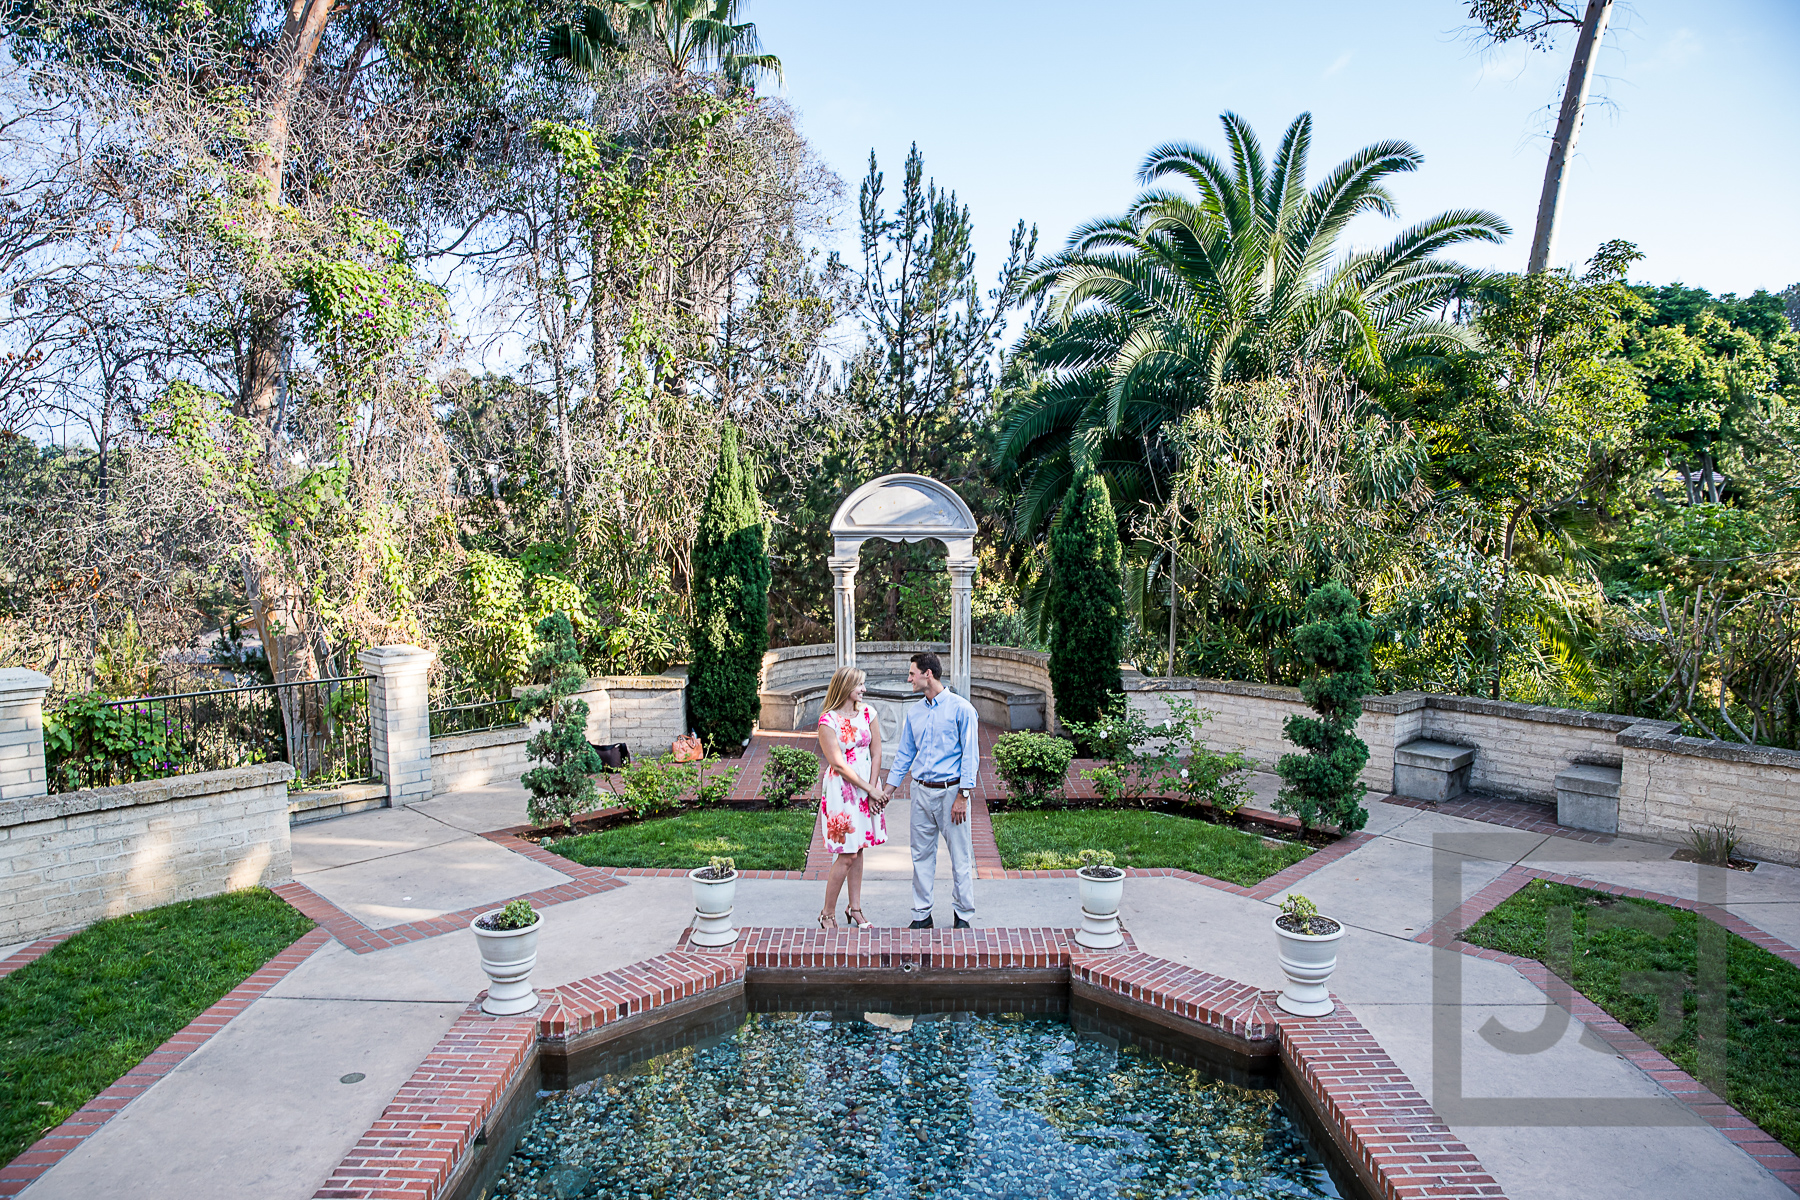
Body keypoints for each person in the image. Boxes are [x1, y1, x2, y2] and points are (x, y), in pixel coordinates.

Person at [885, 651, 980, 929]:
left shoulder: (961, 709)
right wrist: (888, 792)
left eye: (912, 673)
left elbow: (970, 756)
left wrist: (963, 796)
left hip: (951, 794)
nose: (909, 678)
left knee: (959, 857)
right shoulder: (914, 713)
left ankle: (963, 915)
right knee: (920, 856)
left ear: (928, 674)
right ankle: (921, 915)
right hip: (921, 793)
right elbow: (904, 756)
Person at [815, 666, 888, 929]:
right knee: (846, 855)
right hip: (842, 792)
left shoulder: (869, 713)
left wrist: (872, 788)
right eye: (860, 685)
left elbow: (877, 752)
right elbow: (838, 764)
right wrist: (869, 790)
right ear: (846, 687)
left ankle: (854, 908)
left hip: (867, 788)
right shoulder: (828, 721)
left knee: (858, 849)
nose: (864, 690)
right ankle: (827, 913)